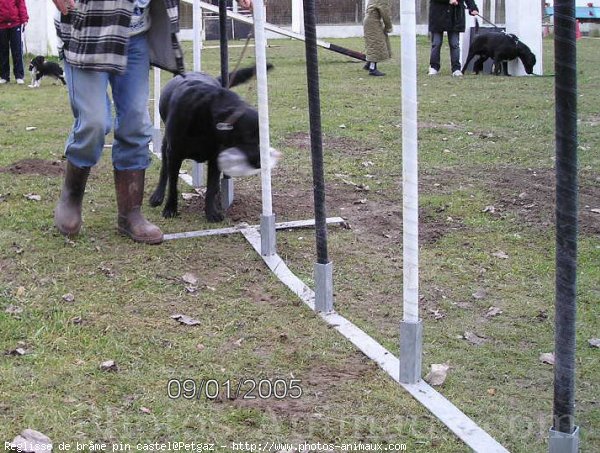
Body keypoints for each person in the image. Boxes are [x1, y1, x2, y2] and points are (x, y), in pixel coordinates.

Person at [51, 0, 251, 245]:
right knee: (94, 122)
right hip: (88, 28)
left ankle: (130, 214)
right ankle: (71, 196)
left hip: (134, 34)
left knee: (135, 123)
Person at [428, 0, 479, 77]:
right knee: (436, 43)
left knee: (454, 44)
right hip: (437, 15)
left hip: (455, 17)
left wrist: (473, 8)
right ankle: (434, 67)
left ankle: (456, 69)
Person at [0, 0, 28, 85]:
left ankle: (19, 76)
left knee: (17, 50)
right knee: (2, 51)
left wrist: (24, 19)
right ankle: (4, 76)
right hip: (1, 25)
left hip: (15, 23)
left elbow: (21, 4)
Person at [363, 0, 392, 77]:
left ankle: (368, 64)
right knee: (376, 44)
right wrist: (389, 26)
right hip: (373, 22)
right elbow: (385, 13)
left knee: (372, 43)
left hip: (369, 20)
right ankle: (372, 69)